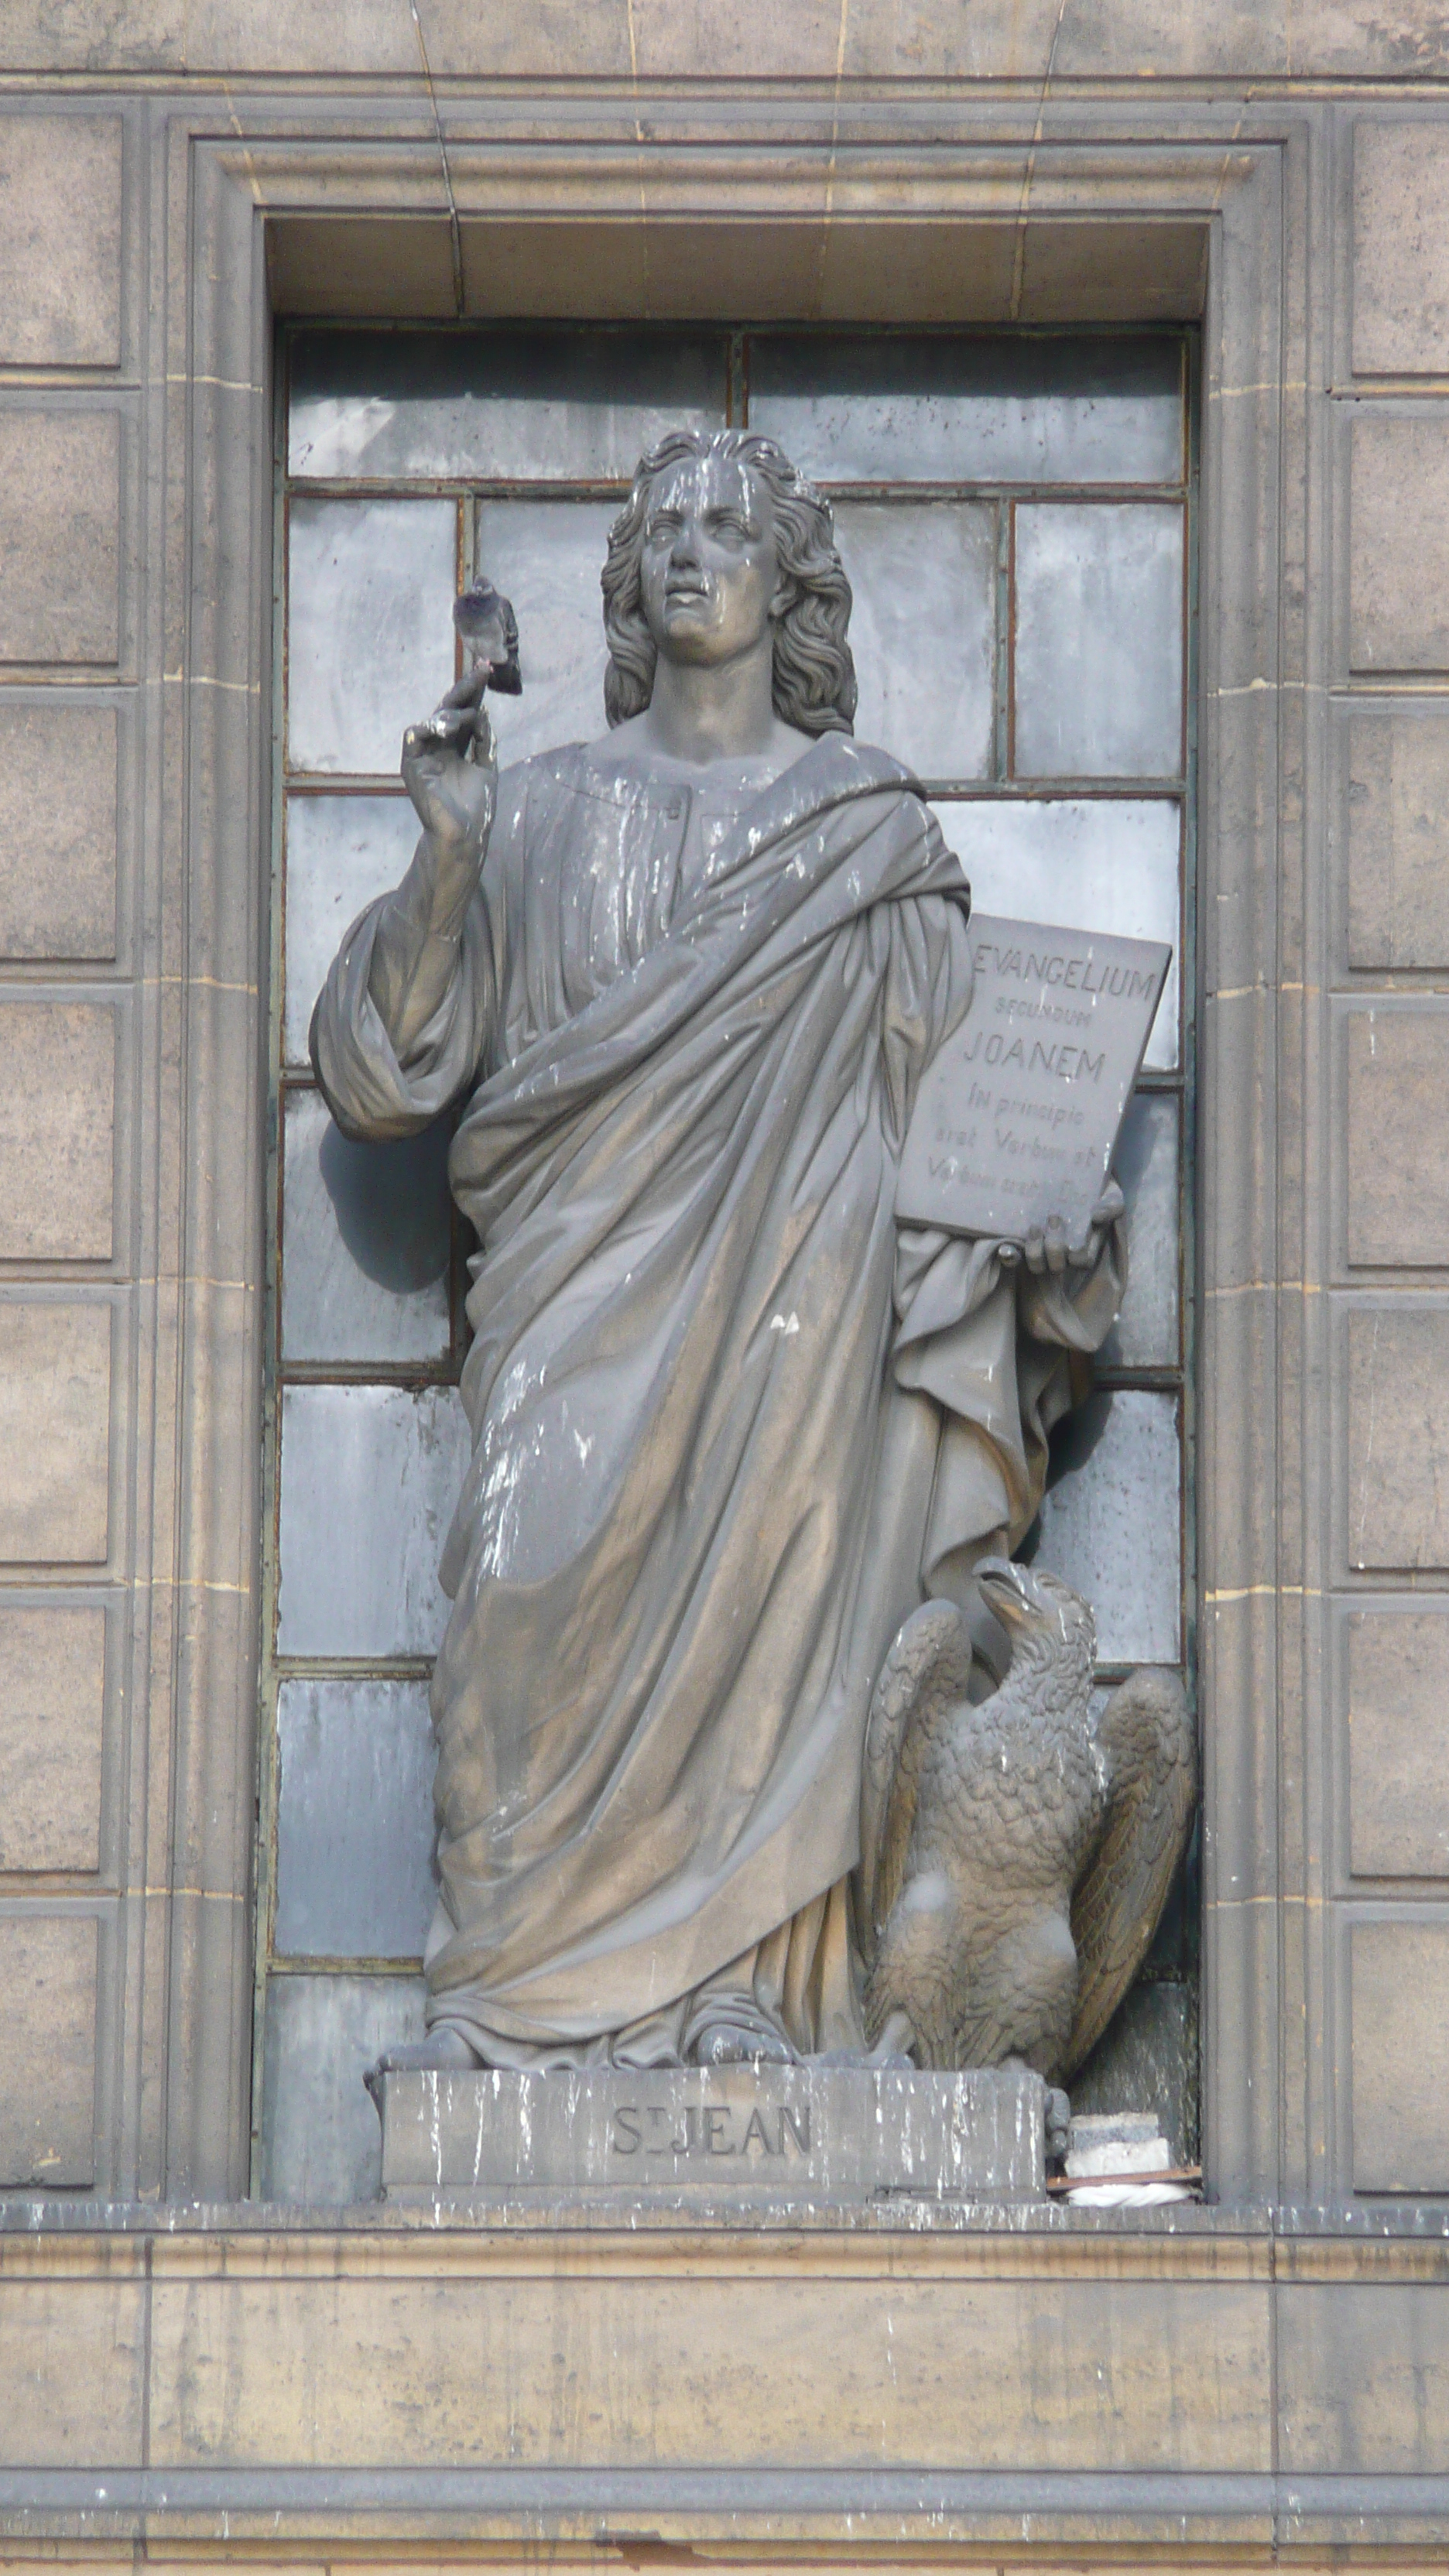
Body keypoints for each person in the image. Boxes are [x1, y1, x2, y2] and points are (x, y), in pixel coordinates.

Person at [311, 427, 1125, 2074]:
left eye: (723, 527)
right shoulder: (532, 813)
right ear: (632, 582)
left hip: (799, 1309)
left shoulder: (868, 833)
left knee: (786, 1610)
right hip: (570, 1291)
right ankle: (510, 1994)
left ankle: (754, 1988)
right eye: (661, 528)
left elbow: (952, 1134)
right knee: (523, 1582)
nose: (689, 550)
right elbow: (384, 1075)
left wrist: (1038, 1245)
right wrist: (448, 850)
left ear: (783, 580)